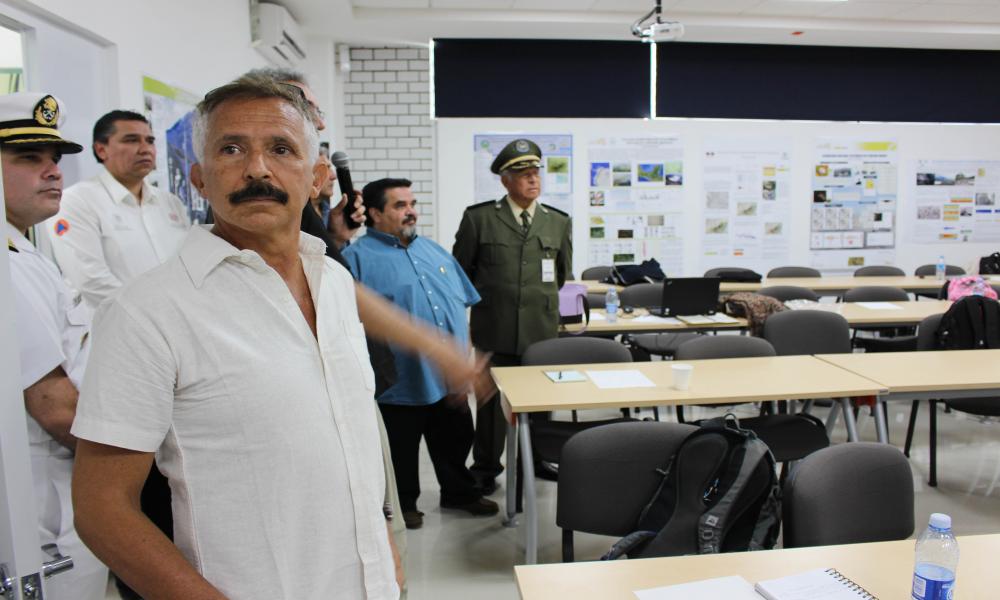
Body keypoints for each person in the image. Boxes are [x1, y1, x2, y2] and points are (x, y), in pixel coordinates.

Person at [71, 74, 403, 599]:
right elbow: (101, 509)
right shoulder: (146, 312)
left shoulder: (335, 283)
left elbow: (348, 435)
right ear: (199, 179)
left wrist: (381, 542)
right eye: (231, 149)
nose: (257, 169)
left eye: (281, 149)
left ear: (317, 178)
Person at [344, 178, 499, 530]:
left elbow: (462, 305)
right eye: (400, 205)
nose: (411, 211)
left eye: (412, 204)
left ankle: (459, 493)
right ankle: (404, 504)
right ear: (374, 214)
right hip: (398, 379)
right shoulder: (355, 259)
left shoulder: (435, 251)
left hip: (448, 377)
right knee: (401, 447)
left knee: (456, 438)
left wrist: (463, 357)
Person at [2, 92, 108, 599]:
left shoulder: (25, 250)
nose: (53, 172)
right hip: (44, 514)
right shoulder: (8, 265)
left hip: (58, 497)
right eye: (29, 158)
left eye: (55, 159)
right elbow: (55, 406)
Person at [453, 138, 573, 493]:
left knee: (540, 400)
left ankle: (537, 459)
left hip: (540, 330)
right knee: (491, 404)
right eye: (523, 174)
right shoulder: (480, 219)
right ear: (505, 180)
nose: (533, 179)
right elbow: (461, 274)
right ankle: (486, 467)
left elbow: (561, 274)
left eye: (536, 173)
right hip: (495, 327)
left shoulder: (557, 222)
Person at [45, 110, 190, 309]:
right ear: (101, 150)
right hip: (117, 322)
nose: (145, 149)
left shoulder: (170, 203)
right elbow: (91, 281)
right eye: (131, 140)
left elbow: (186, 265)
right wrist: (157, 313)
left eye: (150, 141)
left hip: (175, 318)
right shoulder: (77, 201)